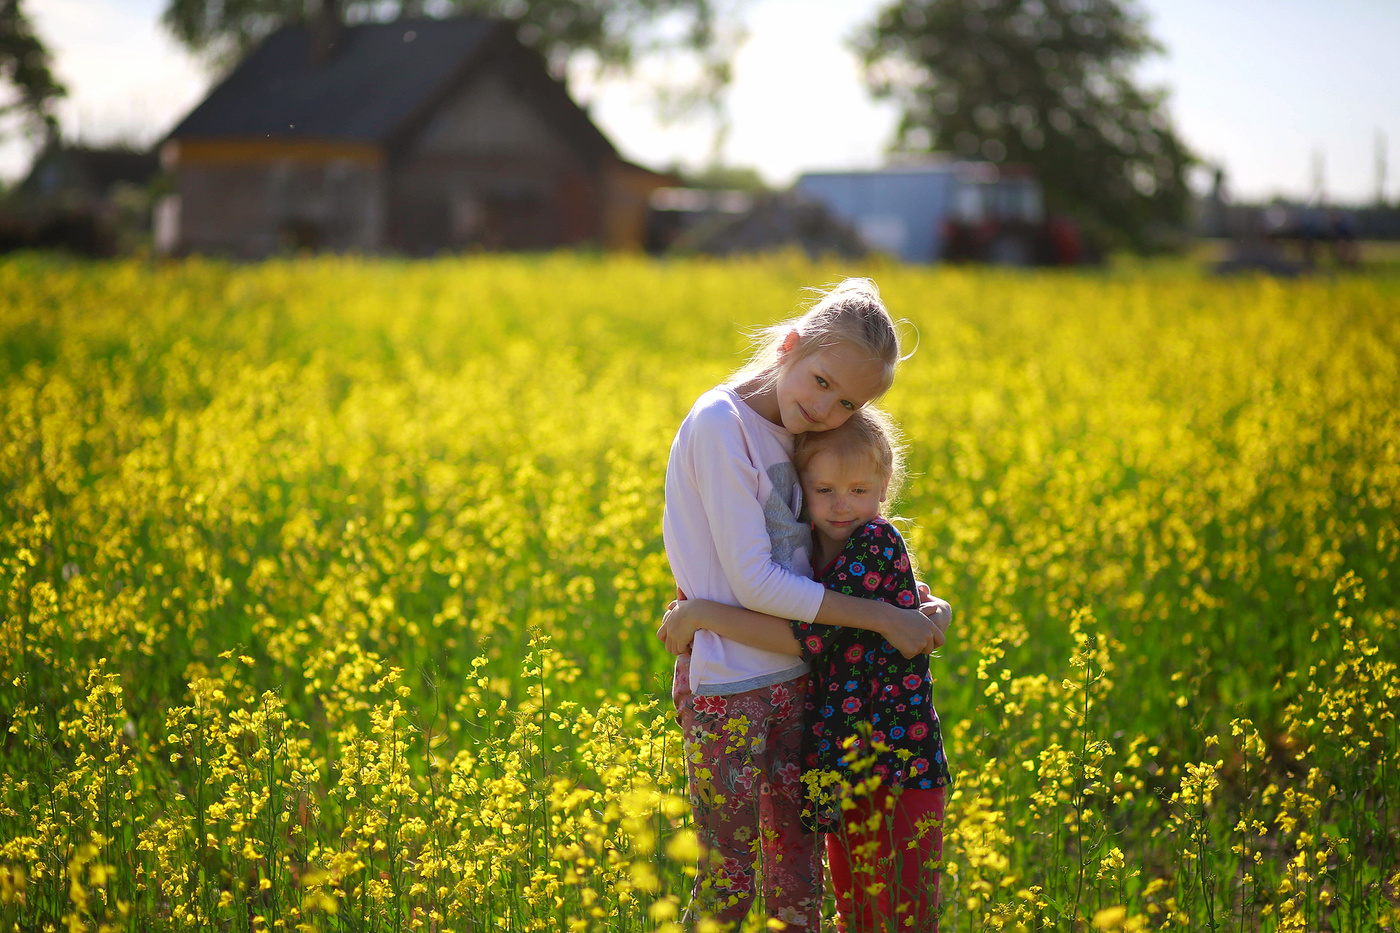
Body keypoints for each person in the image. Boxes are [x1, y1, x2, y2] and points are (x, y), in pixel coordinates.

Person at [661, 278, 949, 931]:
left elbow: (824, 556)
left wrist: (911, 599)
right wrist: (882, 617)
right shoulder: (721, 422)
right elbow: (759, 581)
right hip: (728, 685)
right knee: (728, 882)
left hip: (804, 682)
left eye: (847, 401)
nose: (826, 408)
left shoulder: (794, 429)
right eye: (821, 381)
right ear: (789, 345)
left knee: (800, 885)